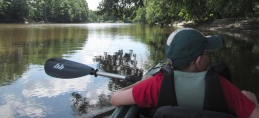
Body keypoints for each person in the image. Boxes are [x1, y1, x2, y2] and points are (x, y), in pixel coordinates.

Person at [110, 28, 259, 118]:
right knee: (248, 94)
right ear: (198, 61)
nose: (210, 57)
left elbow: (115, 99)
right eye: (207, 53)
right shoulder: (222, 86)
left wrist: (142, 82)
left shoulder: (156, 84)